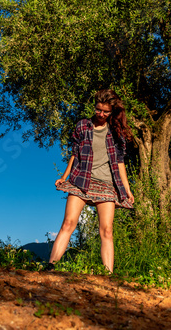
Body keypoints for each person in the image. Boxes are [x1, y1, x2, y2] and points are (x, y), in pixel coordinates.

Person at [49, 89, 134, 273]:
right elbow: (74, 154)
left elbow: (120, 163)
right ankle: (51, 266)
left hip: (107, 184)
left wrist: (127, 189)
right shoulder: (82, 126)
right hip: (81, 180)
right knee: (68, 223)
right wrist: (64, 177)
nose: (101, 114)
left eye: (105, 112)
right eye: (98, 110)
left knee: (107, 231)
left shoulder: (115, 131)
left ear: (111, 112)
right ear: (94, 107)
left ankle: (108, 276)